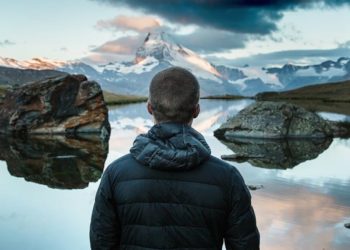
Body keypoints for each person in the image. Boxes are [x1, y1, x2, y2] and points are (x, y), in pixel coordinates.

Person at [90, 67, 260, 250]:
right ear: (196, 110)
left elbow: (101, 244)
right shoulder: (228, 178)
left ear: (149, 108)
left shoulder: (115, 174)